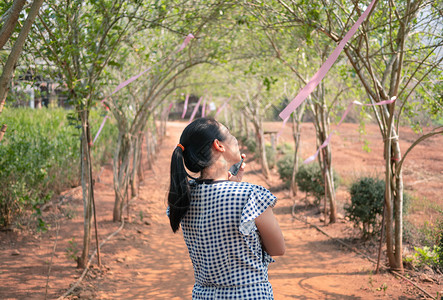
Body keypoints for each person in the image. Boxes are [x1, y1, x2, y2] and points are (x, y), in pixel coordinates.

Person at [168, 117, 285, 299]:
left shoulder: (184, 197)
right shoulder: (249, 196)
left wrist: (232, 186)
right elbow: (277, 248)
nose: (235, 139)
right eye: (229, 134)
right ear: (219, 145)